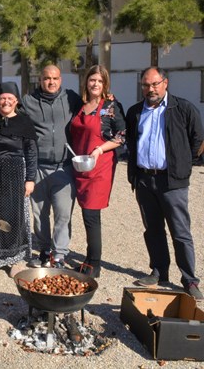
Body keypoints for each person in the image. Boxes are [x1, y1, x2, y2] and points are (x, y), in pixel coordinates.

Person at [125, 66, 203, 300]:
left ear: (165, 83)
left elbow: (197, 140)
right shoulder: (135, 111)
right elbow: (130, 140)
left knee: (180, 231)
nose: (151, 89)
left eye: (155, 84)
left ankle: (189, 279)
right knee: (153, 229)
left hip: (172, 181)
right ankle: (159, 271)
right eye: (146, 85)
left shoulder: (183, 108)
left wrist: (182, 165)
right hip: (145, 179)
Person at [22, 65, 82, 268]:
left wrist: (108, 100)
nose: (51, 82)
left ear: (61, 79)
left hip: (63, 167)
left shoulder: (71, 98)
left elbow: (91, 109)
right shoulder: (29, 101)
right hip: (38, 167)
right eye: (47, 78)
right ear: (40, 79)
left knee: (63, 213)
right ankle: (45, 250)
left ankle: (59, 255)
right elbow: (9, 115)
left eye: (55, 78)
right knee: (40, 215)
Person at [70, 65, 125, 278]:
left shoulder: (110, 105)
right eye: (92, 80)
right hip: (80, 165)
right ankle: (89, 259)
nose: (95, 84)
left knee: (92, 215)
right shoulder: (80, 105)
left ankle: (94, 264)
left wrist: (99, 149)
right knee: (86, 213)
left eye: (100, 81)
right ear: (86, 82)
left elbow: (121, 135)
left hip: (100, 166)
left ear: (105, 84)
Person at [0, 82, 37, 274]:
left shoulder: (24, 122)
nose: (6, 101)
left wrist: (30, 179)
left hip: (15, 171)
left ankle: (14, 258)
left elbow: (31, 153)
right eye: (2, 98)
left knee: (14, 214)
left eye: (10, 98)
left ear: (16, 101)